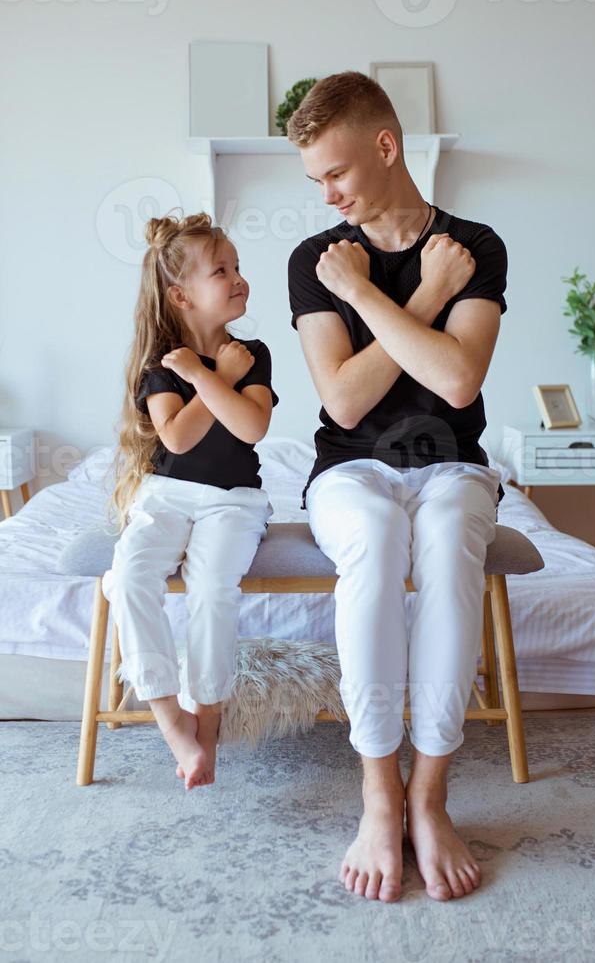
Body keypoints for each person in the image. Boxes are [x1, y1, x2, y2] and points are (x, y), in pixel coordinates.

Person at [287, 72, 507, 902]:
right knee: (376, 546)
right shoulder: (319, 262)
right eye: (313, 181)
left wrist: (371, 299)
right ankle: (379, 795)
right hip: (348, 468)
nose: (326, 194)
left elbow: (455, 382)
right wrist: (414, 294)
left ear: (385, 147)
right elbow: (341, 398)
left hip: (452, 462)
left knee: (450, 541)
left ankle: (430, 796)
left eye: (334, 173)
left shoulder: (474, 244)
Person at [104, 210, 278, 791]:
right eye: (220, 270)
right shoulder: (163, 366)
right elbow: (175, 437)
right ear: (181, 295)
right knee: (129, 575)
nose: (237, 278)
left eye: (237, 267)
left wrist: (214, 377)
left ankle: (208, 724)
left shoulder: (250, 354)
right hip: (168, 493)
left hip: (233, 501)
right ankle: (169, 717)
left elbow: (251, 427)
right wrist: (205, 376)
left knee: (210, 588)